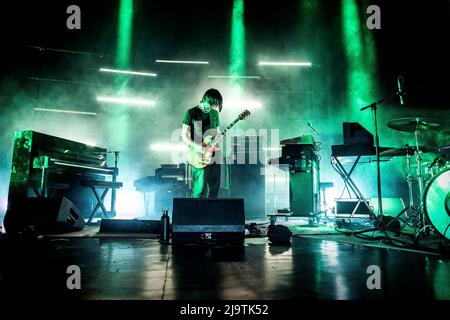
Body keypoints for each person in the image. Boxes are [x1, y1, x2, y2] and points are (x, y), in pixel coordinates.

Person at [181, 88, 223, 198]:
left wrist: (219, 137)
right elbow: (184, 135)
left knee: (215, 189)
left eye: (215, 105)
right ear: (205, 99)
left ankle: (212, 214)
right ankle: (196, 214)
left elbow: (217, 132)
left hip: (214, 154)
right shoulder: (191, 113)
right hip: (198, 154)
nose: (212, 108)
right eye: (212, 104)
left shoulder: (214, 113)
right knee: (200, 189)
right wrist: (196, 146)